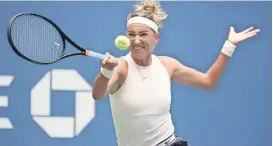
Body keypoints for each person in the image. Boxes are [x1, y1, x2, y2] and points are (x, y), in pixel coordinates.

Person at [92, 0, 260, 146]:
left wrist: (229, 46)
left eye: (143, 34)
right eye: (131, 34)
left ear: (155, 38)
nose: (136, 40)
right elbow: (98, 95)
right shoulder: (122, 67)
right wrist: (106, 71)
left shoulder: (167, 65)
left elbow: (208, 81)